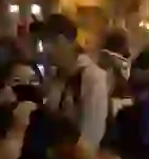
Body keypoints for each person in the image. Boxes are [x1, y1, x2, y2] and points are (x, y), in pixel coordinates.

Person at [36, 13, 110, 149]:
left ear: (63, 41)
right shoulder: (56, 77)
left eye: (47, 42)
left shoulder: (92, 77)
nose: (45, 50)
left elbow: (92, 135)